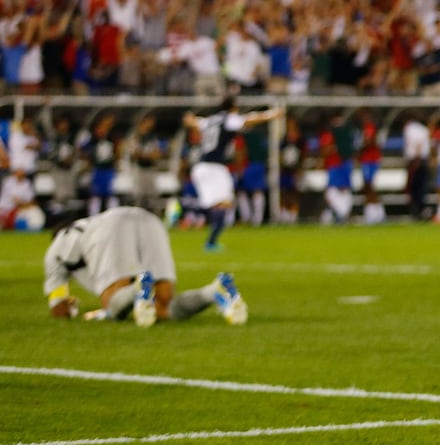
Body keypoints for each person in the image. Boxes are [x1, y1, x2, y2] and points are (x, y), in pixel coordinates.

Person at [43, 206, 247, 326]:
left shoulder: (55, 251)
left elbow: (58, 309)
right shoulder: (88, 224)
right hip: (148, 219)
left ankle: (137, 289)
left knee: (113, 303)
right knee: (163, 307)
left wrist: (67, 308)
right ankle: (214, 291)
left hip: (111, 228)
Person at [181, 95, 283, 250]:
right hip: (214, 167)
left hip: (200, 167)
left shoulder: (210, 121)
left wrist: (188, 117)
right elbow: (250, 119)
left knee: (217, 204)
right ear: (233, 107)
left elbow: (191, 121)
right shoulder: (229, 119)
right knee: (224, 203)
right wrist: (271, 115)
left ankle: (204, 230)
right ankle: (210, 241)